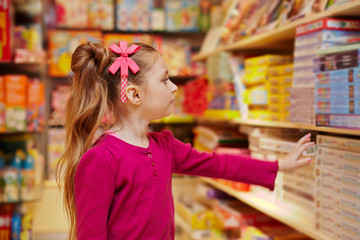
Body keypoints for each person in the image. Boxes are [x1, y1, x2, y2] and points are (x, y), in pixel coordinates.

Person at [56, 41, 314, 240]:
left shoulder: (164, 146)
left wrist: (278, 165)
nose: (174, 87)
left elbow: (218, 164)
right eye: (164, 79)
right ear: (134, 94)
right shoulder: (101, 160)